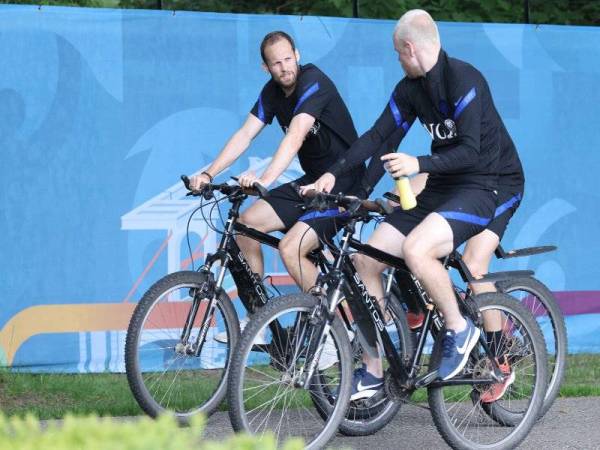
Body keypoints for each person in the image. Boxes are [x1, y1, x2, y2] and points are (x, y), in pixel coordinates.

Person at [308, 9, 517, 401]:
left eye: (397, 54)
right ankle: (372, 370)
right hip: (443, 183)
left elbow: (471, 151)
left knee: (417, 249)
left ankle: (460, 327)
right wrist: (338, 177)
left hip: (482, 183)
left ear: (409, 48)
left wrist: (418, 163)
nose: (398, 61)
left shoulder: (464, 79)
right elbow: (378, 137)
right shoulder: (410, 88)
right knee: (365, 261)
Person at [188, 31, 365, 345]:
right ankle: (258, 319)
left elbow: (295, 134)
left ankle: (329, 333)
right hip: (312, 183)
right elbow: (245, 134)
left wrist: (265, 180)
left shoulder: (314, 81)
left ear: (297, 54)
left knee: (290, 248)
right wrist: (208, 171)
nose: (284, 68)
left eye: (287, 59)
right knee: (245, 225)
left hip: (345, 184)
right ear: (265, 67)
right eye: (275, 63)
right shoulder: (271, 91)